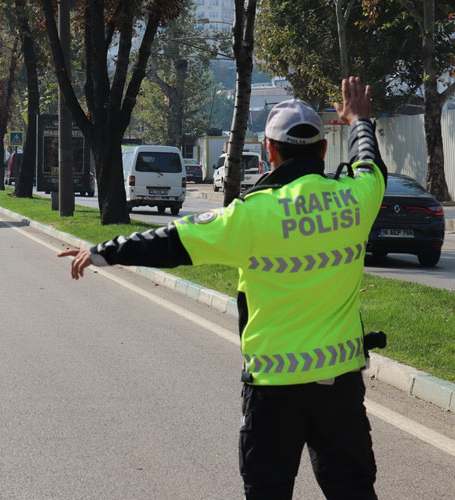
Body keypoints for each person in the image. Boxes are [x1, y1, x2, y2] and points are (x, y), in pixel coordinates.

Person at [58, 77, 386, 500]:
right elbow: (369, 162)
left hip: (274, 390)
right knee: (354, 492)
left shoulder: (251, 215)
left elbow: (171, 242)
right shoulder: (356, 200)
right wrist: (359, 119)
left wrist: (104, 252)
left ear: (270, 151)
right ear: (323, 149)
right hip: (340, 388)